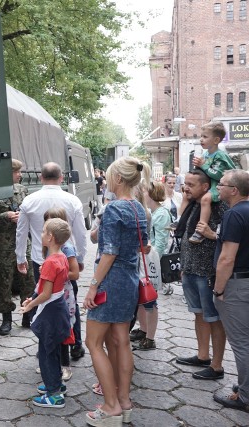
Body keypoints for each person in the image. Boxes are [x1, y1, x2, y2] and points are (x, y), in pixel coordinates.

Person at [83, 157, 150, 426]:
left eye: (111, 176)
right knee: (121, 340)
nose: (108, 180)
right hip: (130, 280)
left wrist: (93, 286)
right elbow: (142, 246)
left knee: (93, 342)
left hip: (110, 281)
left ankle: (110, 407)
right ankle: (124, 401)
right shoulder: (138, 208)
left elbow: (109, 252)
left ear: (119, 179)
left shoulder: (113, 209)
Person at [16, 162, 87, 357]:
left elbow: (21, 232)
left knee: (44, 300)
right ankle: (76, 344)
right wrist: (80, 257)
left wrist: (20, 257)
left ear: (40, 178)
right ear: (62, 177)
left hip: (42, 262)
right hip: (66, 260)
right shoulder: (72, 201)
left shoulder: (29, 201)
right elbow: (81, 234)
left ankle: (47, 344)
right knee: (70, 301)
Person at [175, 168, 227, 380]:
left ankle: (217, 366)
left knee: (214, 318)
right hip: (190, 268)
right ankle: (203, 355)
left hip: (208, 271)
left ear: (206, 187)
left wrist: (212, 234)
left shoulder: (218, 205)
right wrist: (183, 267)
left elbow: (231, 238)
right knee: (198, 313)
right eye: (185, 183)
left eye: (191, 184)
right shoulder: (194, 203)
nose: (186, 187)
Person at [19, 218, 71, 409]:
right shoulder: (62, 257)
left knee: (46, 353)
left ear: (50, 237)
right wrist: (33, 296)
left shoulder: (50, 262)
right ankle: (56, 384)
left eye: (43, 232)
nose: (40, 235)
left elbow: (46, 293)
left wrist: (31, 305)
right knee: (54, 349)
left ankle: (54, 394)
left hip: (49, 313)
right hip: (59, 310)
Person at [0, 159, 35, 335]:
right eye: (17, 172)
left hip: (23, 242)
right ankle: (6, 319)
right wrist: (5, 215)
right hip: (3, 245)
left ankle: (27, 315)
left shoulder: (22, 190)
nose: (20, 175)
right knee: (5, 282)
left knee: (28, 279)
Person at [211, 169, 249, 412]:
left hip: (237, 284)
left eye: (222, 185)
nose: (218, 188)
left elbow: (227, 258)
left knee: (241, 342)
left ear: (234, 190)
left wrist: (218, 289)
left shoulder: (234, 215)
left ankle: (245, 397)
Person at [131, 181, 171, 351]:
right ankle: (143, 329)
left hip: (149, 262)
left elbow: (160, 242)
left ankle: (150, 338)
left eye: (145, 191)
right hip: (144, 260)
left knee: (149, 300)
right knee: (142, 299)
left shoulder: (160, 214)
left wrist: (152, 262)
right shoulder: (153, 212)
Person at [42, 207, 80, 381]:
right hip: (53, 295)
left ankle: (65, 366)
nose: (44, 229)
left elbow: (75, 273)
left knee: (63, 332)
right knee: (52, 331)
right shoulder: (50, 249)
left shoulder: (67, 249)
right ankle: (52, 362)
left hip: (63, 296)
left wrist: (56, 274)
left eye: (48, 224)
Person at [186, 121, 235, 244]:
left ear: (216, 140)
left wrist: (203, 164)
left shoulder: (220, 155)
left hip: (218, 186)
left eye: (205, 136)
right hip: (208, 184)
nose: (201, 139)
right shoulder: (206, 153)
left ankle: (201, 230)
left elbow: (218, 175)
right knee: (186, 195)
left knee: (205, 199)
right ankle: (181, 219)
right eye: (201, 136)